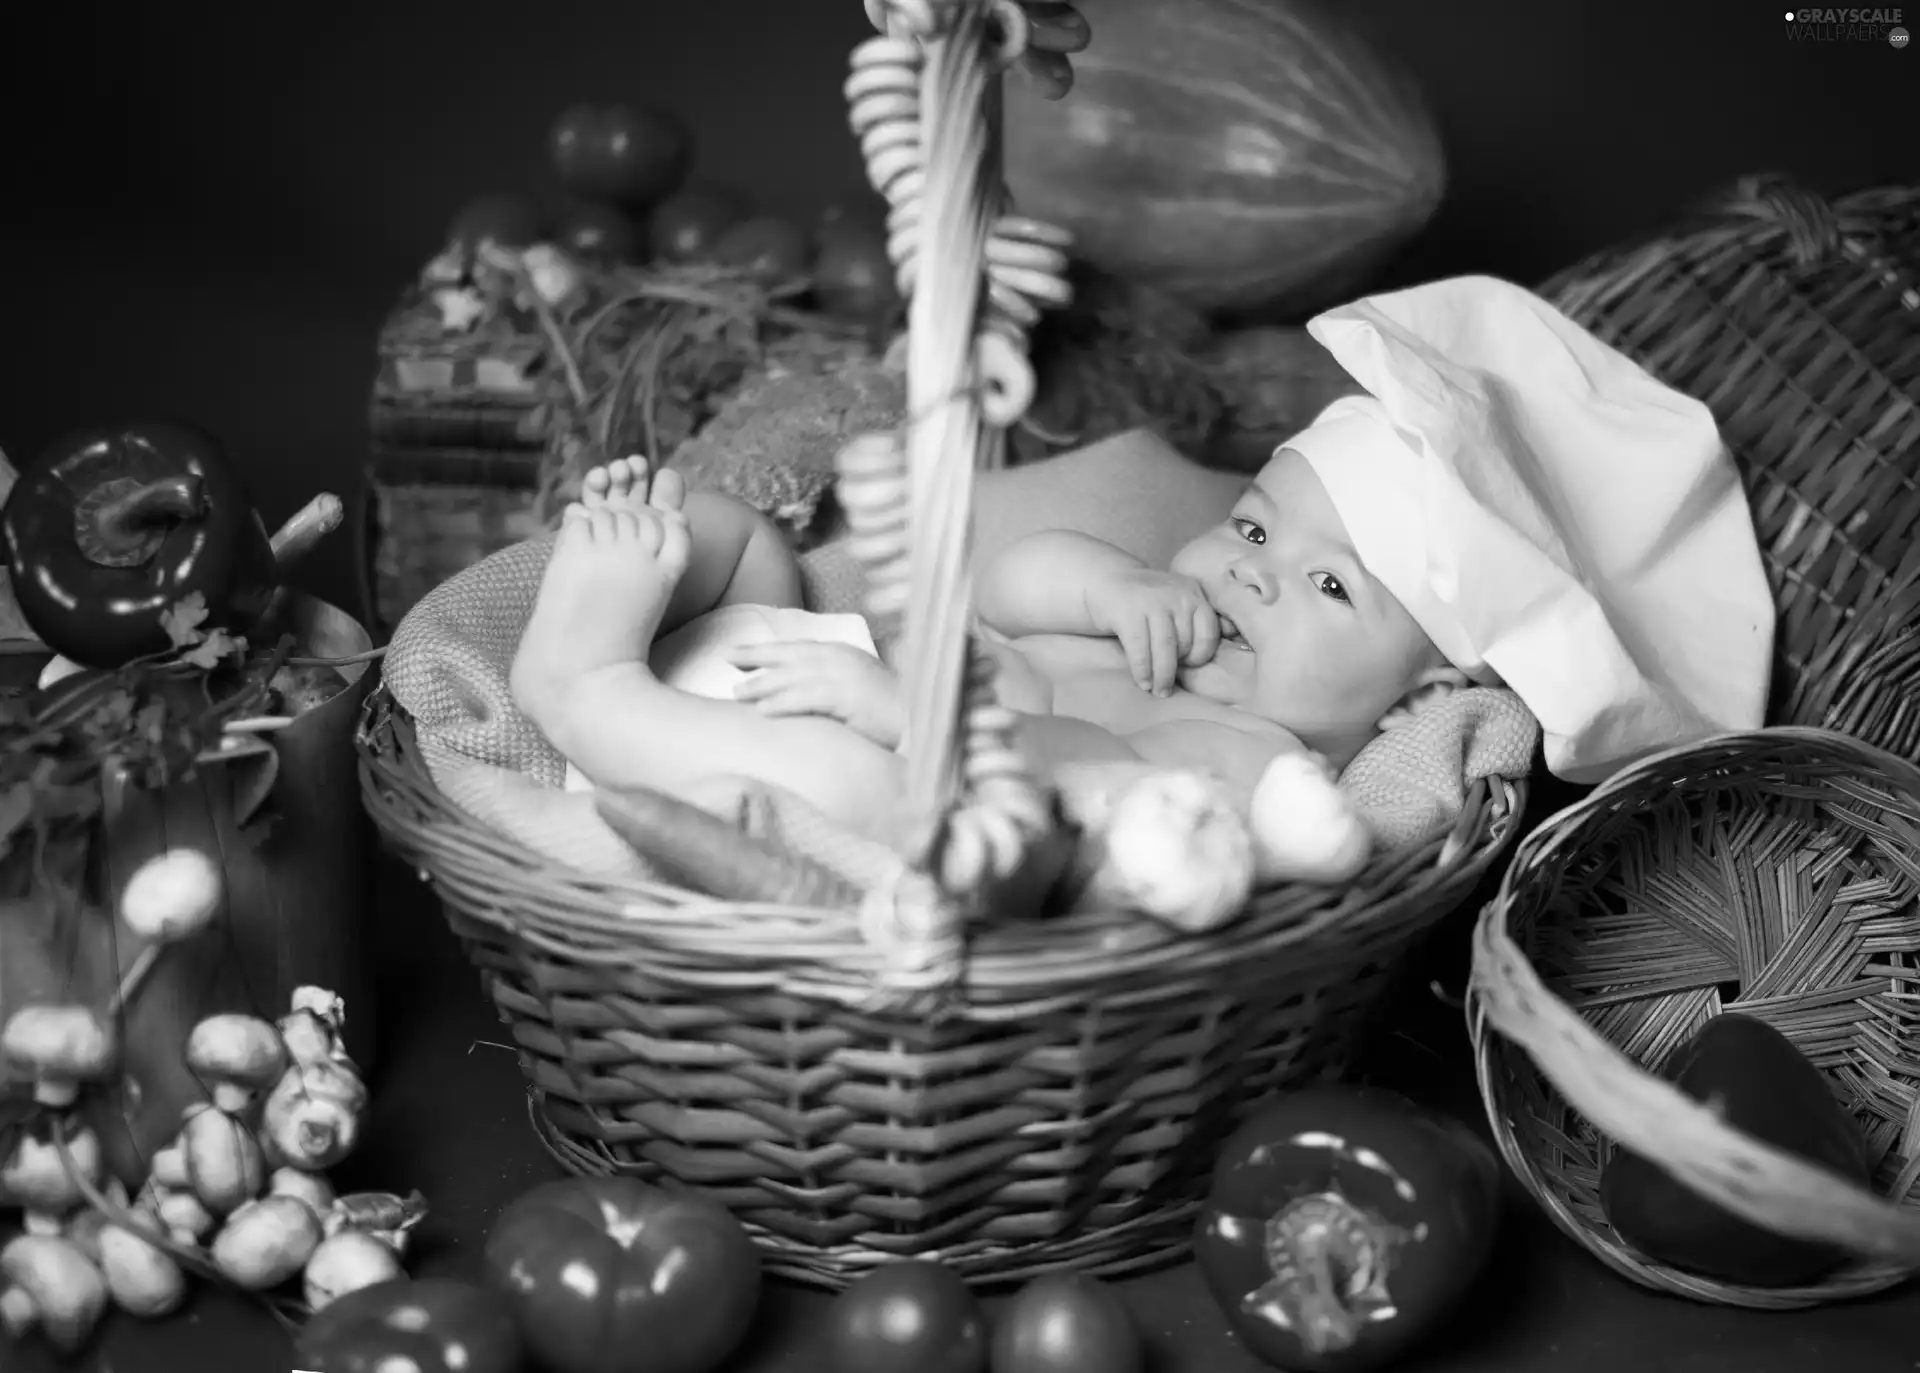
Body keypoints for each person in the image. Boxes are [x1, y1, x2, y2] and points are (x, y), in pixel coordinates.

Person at [510, 275, 1777, 846]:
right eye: (1254, 527)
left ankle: (579, 683)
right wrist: (1110, 585)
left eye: (1333, 586)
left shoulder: (1260, 762)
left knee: (856, 787)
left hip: (869, 778)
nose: (1256, 573)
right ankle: (657, 573)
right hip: (815, 667)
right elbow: (1009, 588)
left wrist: (913, 714)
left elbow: (1090, 785)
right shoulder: (1145, 618)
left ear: (1420, 698)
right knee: (751, 553)